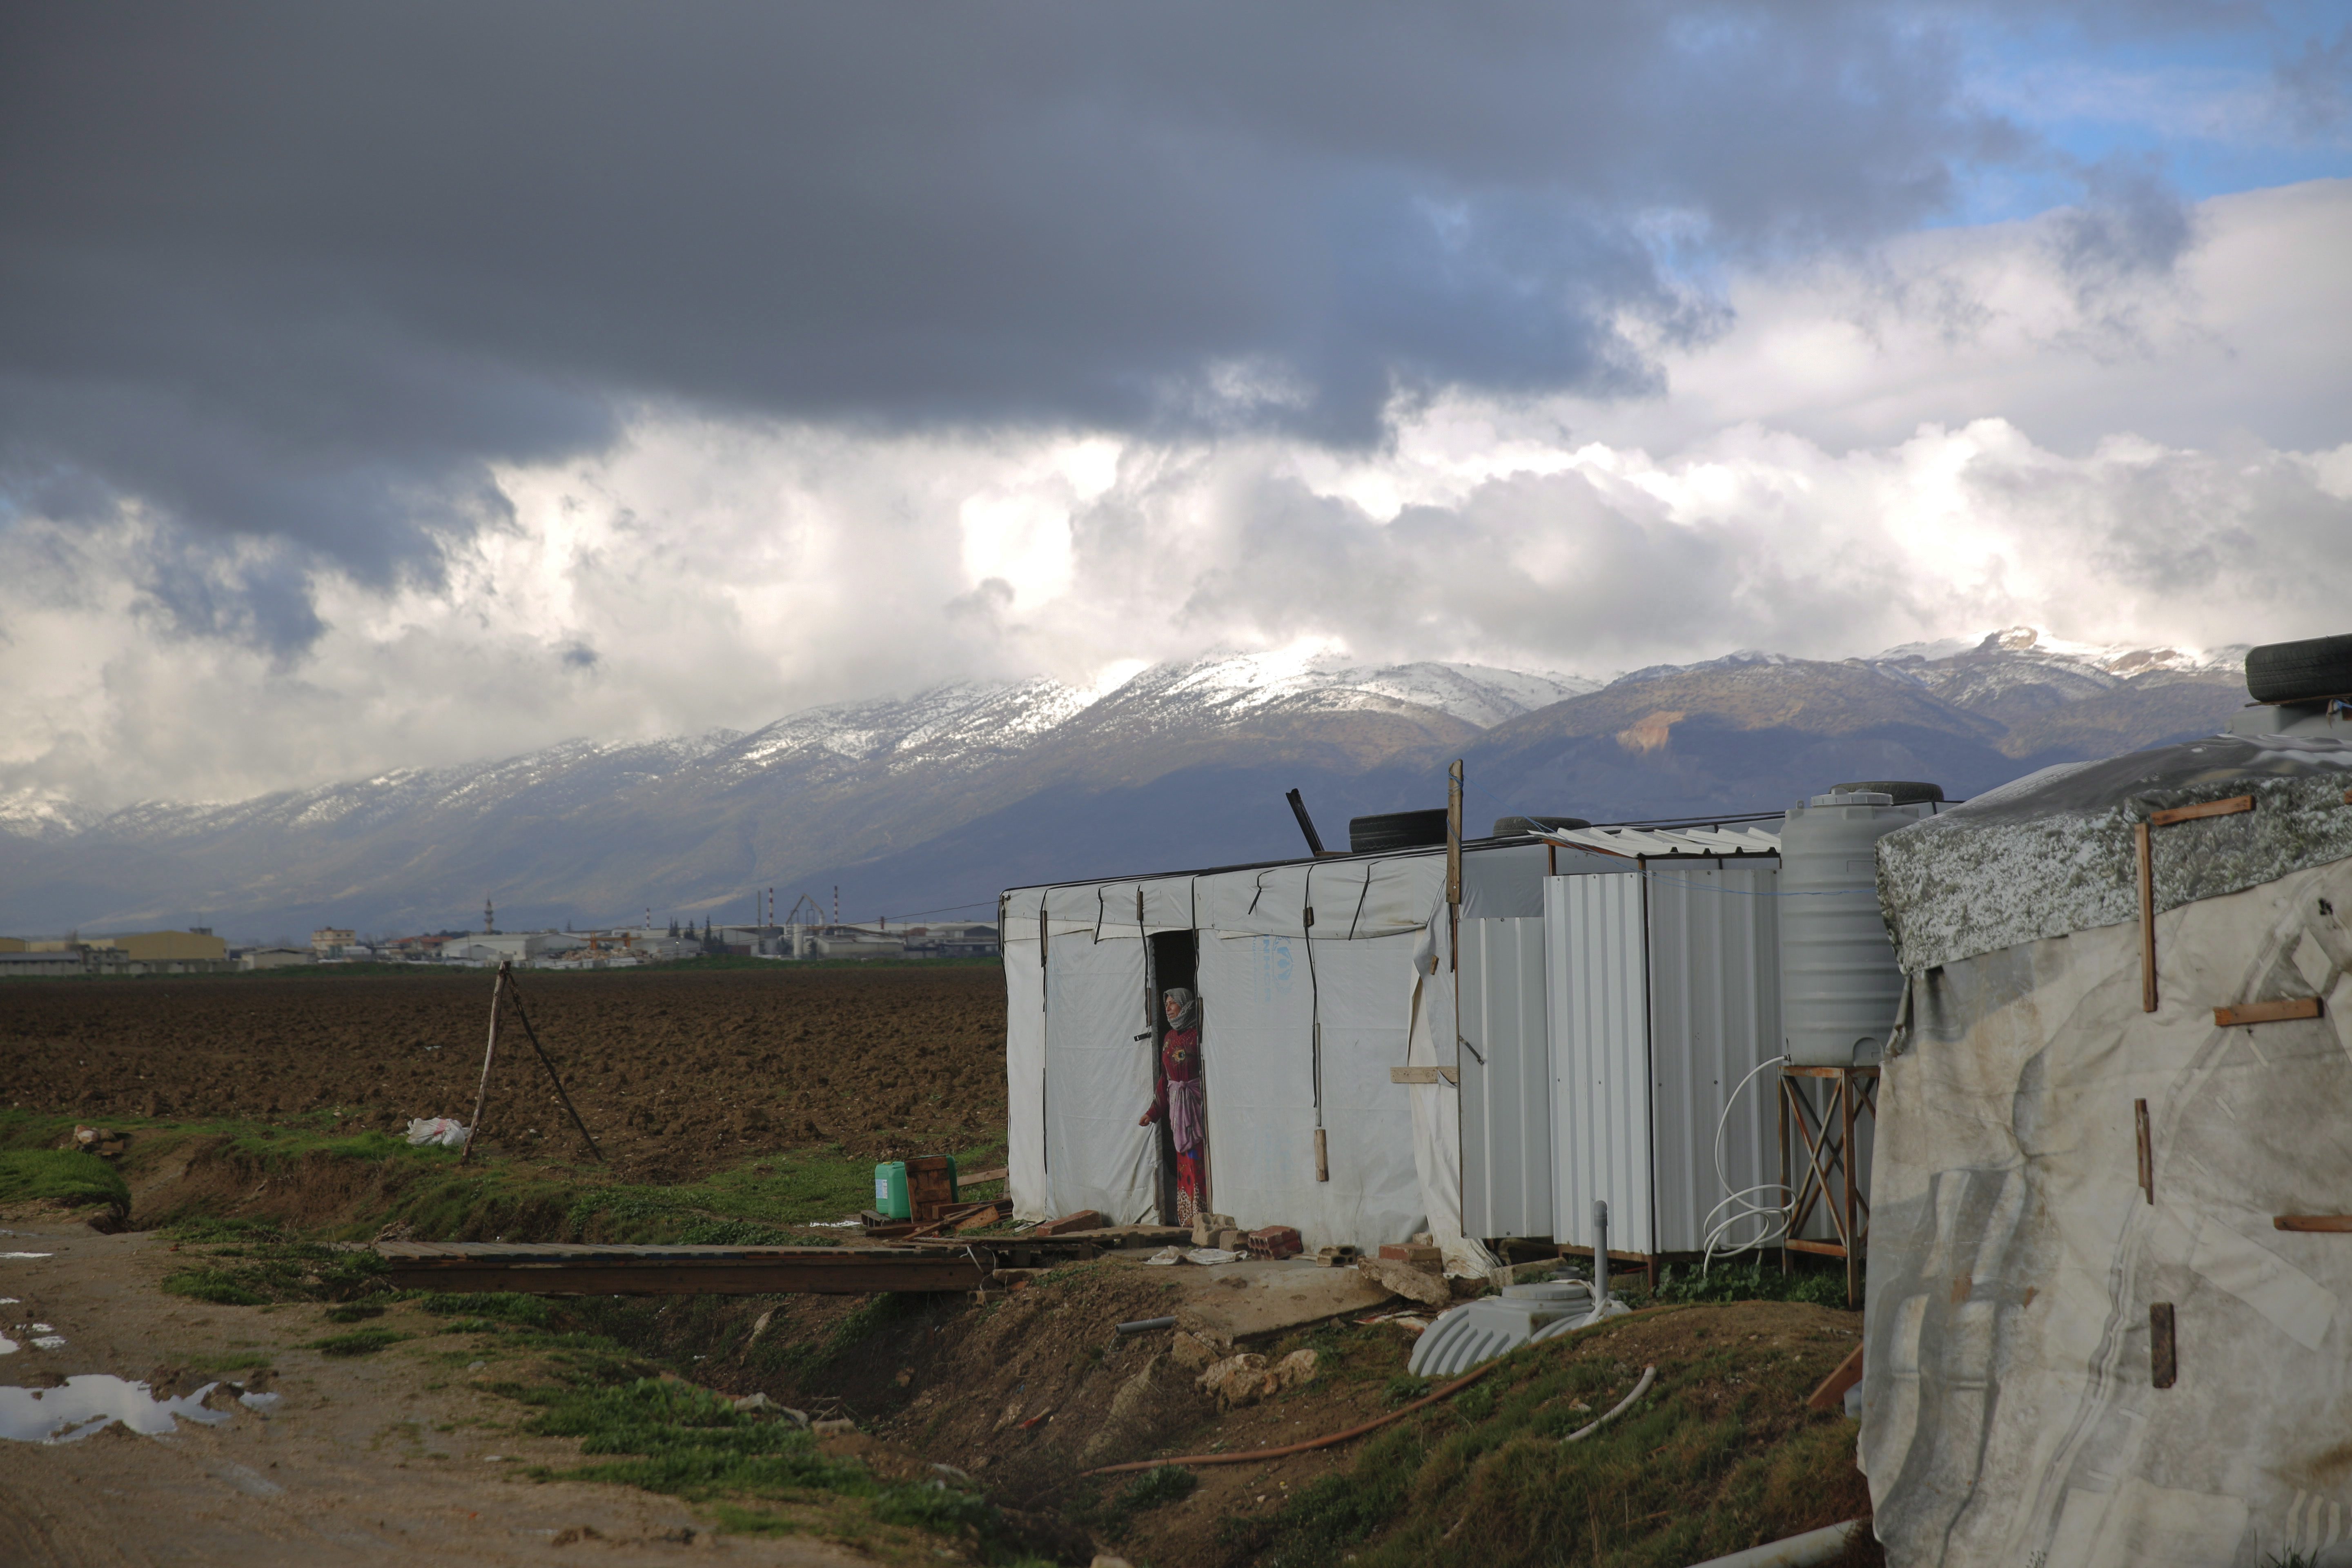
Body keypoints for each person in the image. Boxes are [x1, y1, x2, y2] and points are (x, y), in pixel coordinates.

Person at [1139, 986, 1207, 1225]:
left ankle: (1203, 1216)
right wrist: (1153, 1112)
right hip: (1179, 1111)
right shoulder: (1169, 1039)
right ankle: (1188, 1218)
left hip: (1197, 1107)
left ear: (1185, 1005)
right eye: (1166, 1004)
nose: (1167, 1008)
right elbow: (1164, 1080)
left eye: (1172, 1004)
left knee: (1198, 1158)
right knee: (1183, 1162)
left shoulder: (1200, 1036)